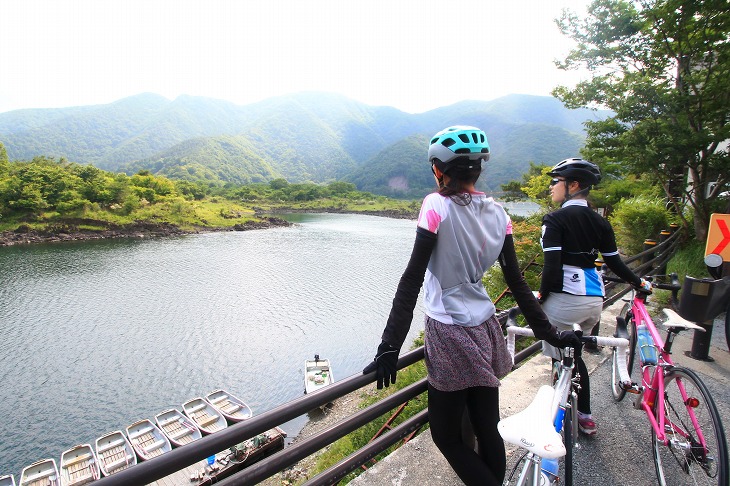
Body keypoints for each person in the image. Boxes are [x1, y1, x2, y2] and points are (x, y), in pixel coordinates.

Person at [362, 126, 581, 486]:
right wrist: (549, 332)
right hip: (485, 327)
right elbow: (518, 284)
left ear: (439, 170)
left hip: (449, 333)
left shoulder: (436, 206)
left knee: (447, 437)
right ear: (478, 170)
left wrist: (389, 346)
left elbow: (411, 280)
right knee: (486, 427)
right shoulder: (499, 213)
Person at [538, 157, 650, 436]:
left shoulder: (555, 219)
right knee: (575, 355)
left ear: (573, 185)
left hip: (565, 300)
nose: (551, 187)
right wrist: (639, 282)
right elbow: (615, 263)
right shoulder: (600, 222)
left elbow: (552, 270)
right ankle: (585, 416)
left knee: (561, 358)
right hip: (593, 300)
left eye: (556, 182)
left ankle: (560, 415)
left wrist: (539, 299)